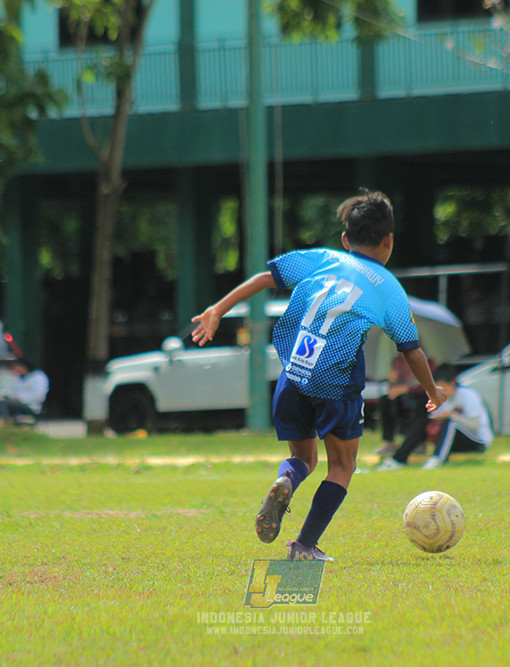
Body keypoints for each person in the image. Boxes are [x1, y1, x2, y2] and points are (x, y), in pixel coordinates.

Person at [191, 190, 446, 561]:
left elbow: (264, 278)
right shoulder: (389, 288)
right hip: (336, 379)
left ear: (345, 239)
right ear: (389, 241)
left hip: (293, 372)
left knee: (304, 459)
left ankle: (287, 478)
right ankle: (305, 545)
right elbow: (411, 351)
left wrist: (217, 308)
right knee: (342, 465)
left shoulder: (324, 258)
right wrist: (433, 391)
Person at [376, 363, 493, 470]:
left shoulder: (467, 395)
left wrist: (452, 415)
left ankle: (437, 458)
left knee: (450, 422)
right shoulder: (440, 398)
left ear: (452, 383)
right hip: (453, 440)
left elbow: (475, 426)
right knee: (424, 421)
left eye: (444, 388)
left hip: (477, 440)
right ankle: (398, 459)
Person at [375, 355, 434, 457]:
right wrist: (392, 380)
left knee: (422, 404)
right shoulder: (397, 361)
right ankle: (389, 442)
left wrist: (406, 389)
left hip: (420, 396)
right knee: (386, 400)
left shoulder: (428, 362)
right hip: (402, 398)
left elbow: (429, 385)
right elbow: (394, 384)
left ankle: (419, 442)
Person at [0, 357, 50, 424]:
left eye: (16, 368)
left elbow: (39, 396)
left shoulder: (38, 376)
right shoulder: (19, 379)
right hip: (18, 404)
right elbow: (11, 391)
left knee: (3, 404)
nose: (15, 370)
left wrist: (19, 399)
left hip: (31, 406)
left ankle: (3, 423)